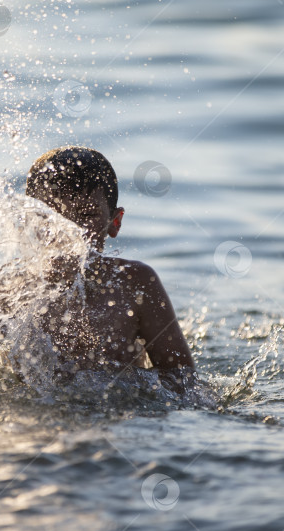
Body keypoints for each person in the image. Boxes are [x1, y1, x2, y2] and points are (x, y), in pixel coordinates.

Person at [26, 146, 197, 393]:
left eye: (86, 215)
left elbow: (183, 379)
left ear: (114, 223)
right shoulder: (10, 291)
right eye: (52, 215)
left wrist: (125, 388)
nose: (69, 229)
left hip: (115, 422)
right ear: (28, 221)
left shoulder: (135, 284)